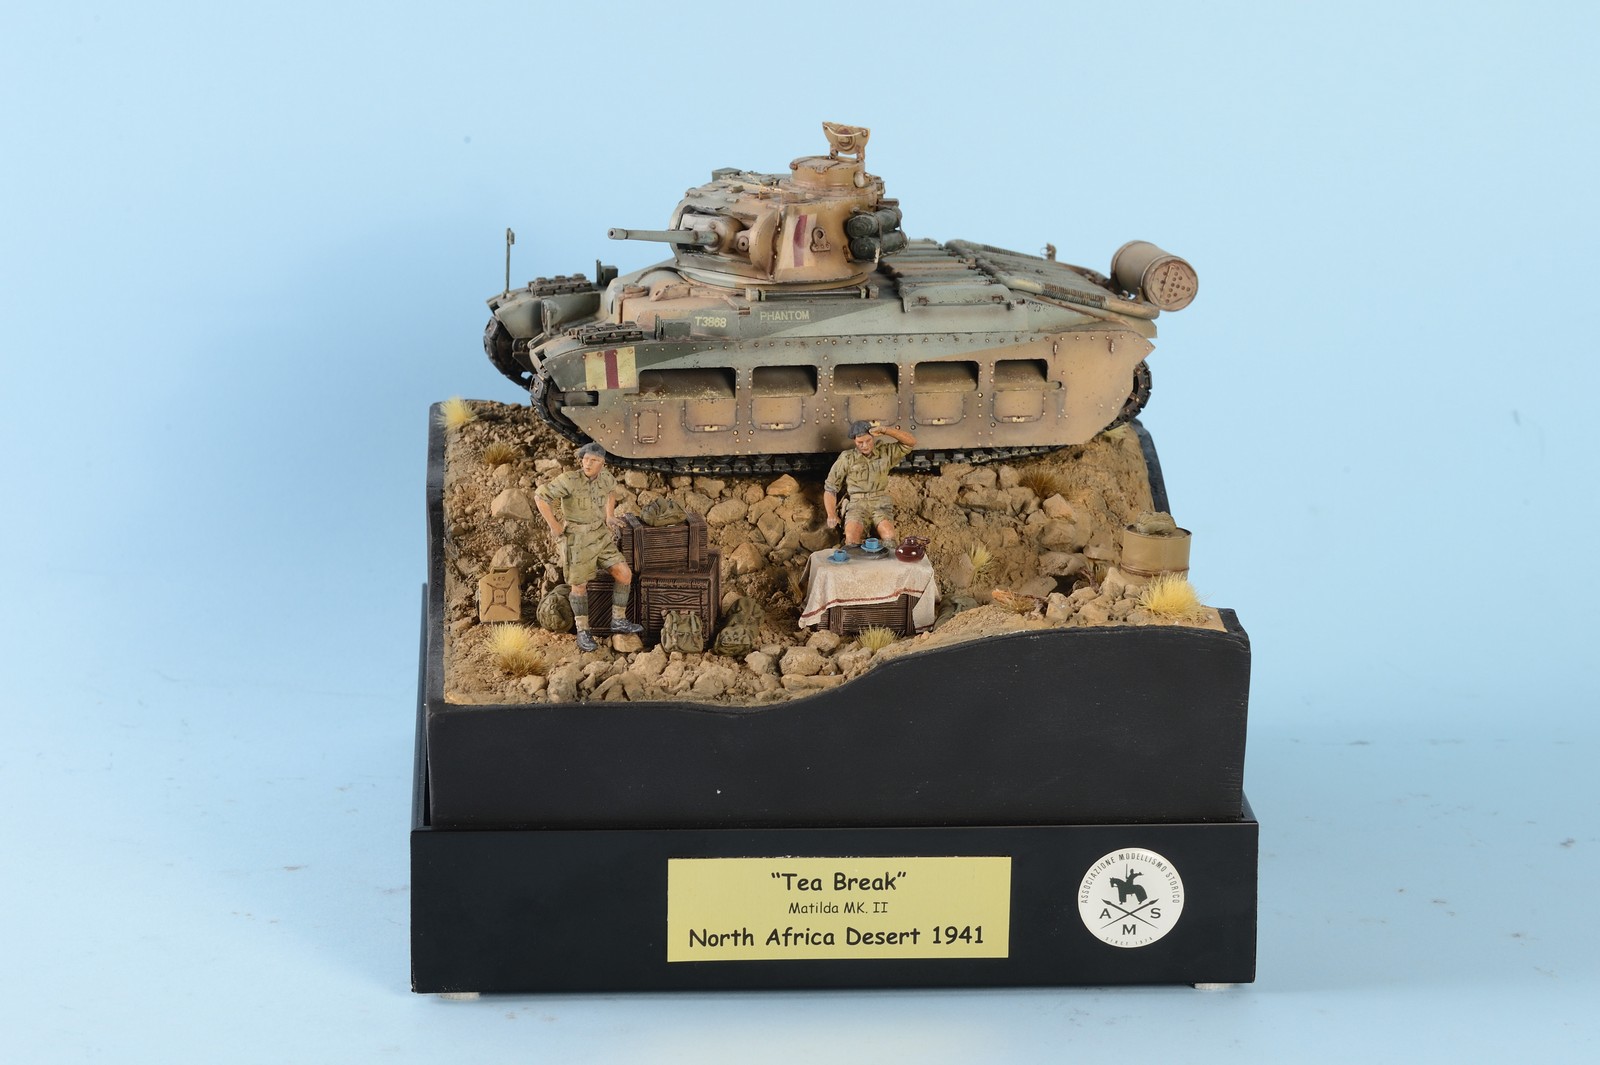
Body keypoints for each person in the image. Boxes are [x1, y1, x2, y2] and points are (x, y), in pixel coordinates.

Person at [534, 443, 643, 652]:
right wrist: (554, 525)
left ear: (602, 463)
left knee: (624, 574)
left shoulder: (605, 477)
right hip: (578, 539)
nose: (587, 464)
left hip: (600, 536)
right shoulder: (569, 480)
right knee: (579, 585)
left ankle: (618, 620)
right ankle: (583, 631)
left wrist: (609, 516)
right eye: (585, 459)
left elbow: (611, 492)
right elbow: (540, 497)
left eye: (593, 460)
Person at [823, 420, 917, 548]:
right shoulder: (847, 458)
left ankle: (885, 559)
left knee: (889, 536)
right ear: (854, 441)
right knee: (851, 538)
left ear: (873, 437)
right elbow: (830, 488)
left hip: (880, 504)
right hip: (857, 505)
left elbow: (910, 442)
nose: (865, 445)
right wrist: (831, 514)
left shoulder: (885, 452)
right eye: (860, 442)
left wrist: (885, 430)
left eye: (868, 441)